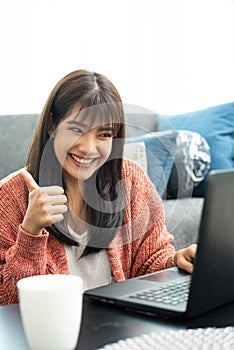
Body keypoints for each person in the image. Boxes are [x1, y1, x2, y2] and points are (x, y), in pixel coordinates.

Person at [0, 70, 197, 306]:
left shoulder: (131, 180)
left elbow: (150, 262)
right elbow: (9, 306)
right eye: (77, 130)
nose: (88, 148)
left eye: (104, 134)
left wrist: (175, 261)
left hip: (117, 329)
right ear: (52, 126)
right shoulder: (10, 198)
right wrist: (30, 233)